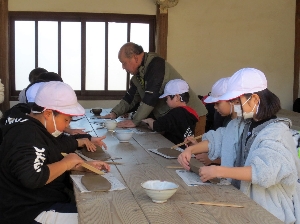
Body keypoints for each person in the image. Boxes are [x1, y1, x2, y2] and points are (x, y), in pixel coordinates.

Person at [178, 68, 300, 223]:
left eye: (237, 100)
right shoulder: (243, 124)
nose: (235, 105)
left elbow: (263, 172)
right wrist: (190, 149)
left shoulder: (277, 133)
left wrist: (219, 170)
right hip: (243, 201)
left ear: (255, 99)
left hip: (270, 211)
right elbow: (220, 139)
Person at [0, 81, 110, 224]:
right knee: (102, 217)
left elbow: (54, 149)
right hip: (29, 212)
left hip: (41, 202)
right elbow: (32, 177)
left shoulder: (37, 129)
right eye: (65, 119)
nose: (67, 125)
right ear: (48, 113)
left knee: (100, 209)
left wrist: (82, 165)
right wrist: (66, 163)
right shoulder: (27, 134)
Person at [102, 42, 207, 135]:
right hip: (170, 119)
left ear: (135, 58)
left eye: (124, 63)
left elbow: (151, 96)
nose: (123, 67)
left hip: (192, 117)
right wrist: (114, 113)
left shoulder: (156, 65)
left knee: (191, 153)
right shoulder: (137, 76)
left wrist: (135, 121)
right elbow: (130, 98)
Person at [142, 79, 199, 148]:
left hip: (173, 149)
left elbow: (157, 126)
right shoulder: (190, 112)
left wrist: (149, 120)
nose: (166, 101)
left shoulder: (176, 113)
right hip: (184, 149)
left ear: (177, 97)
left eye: (167, 98)